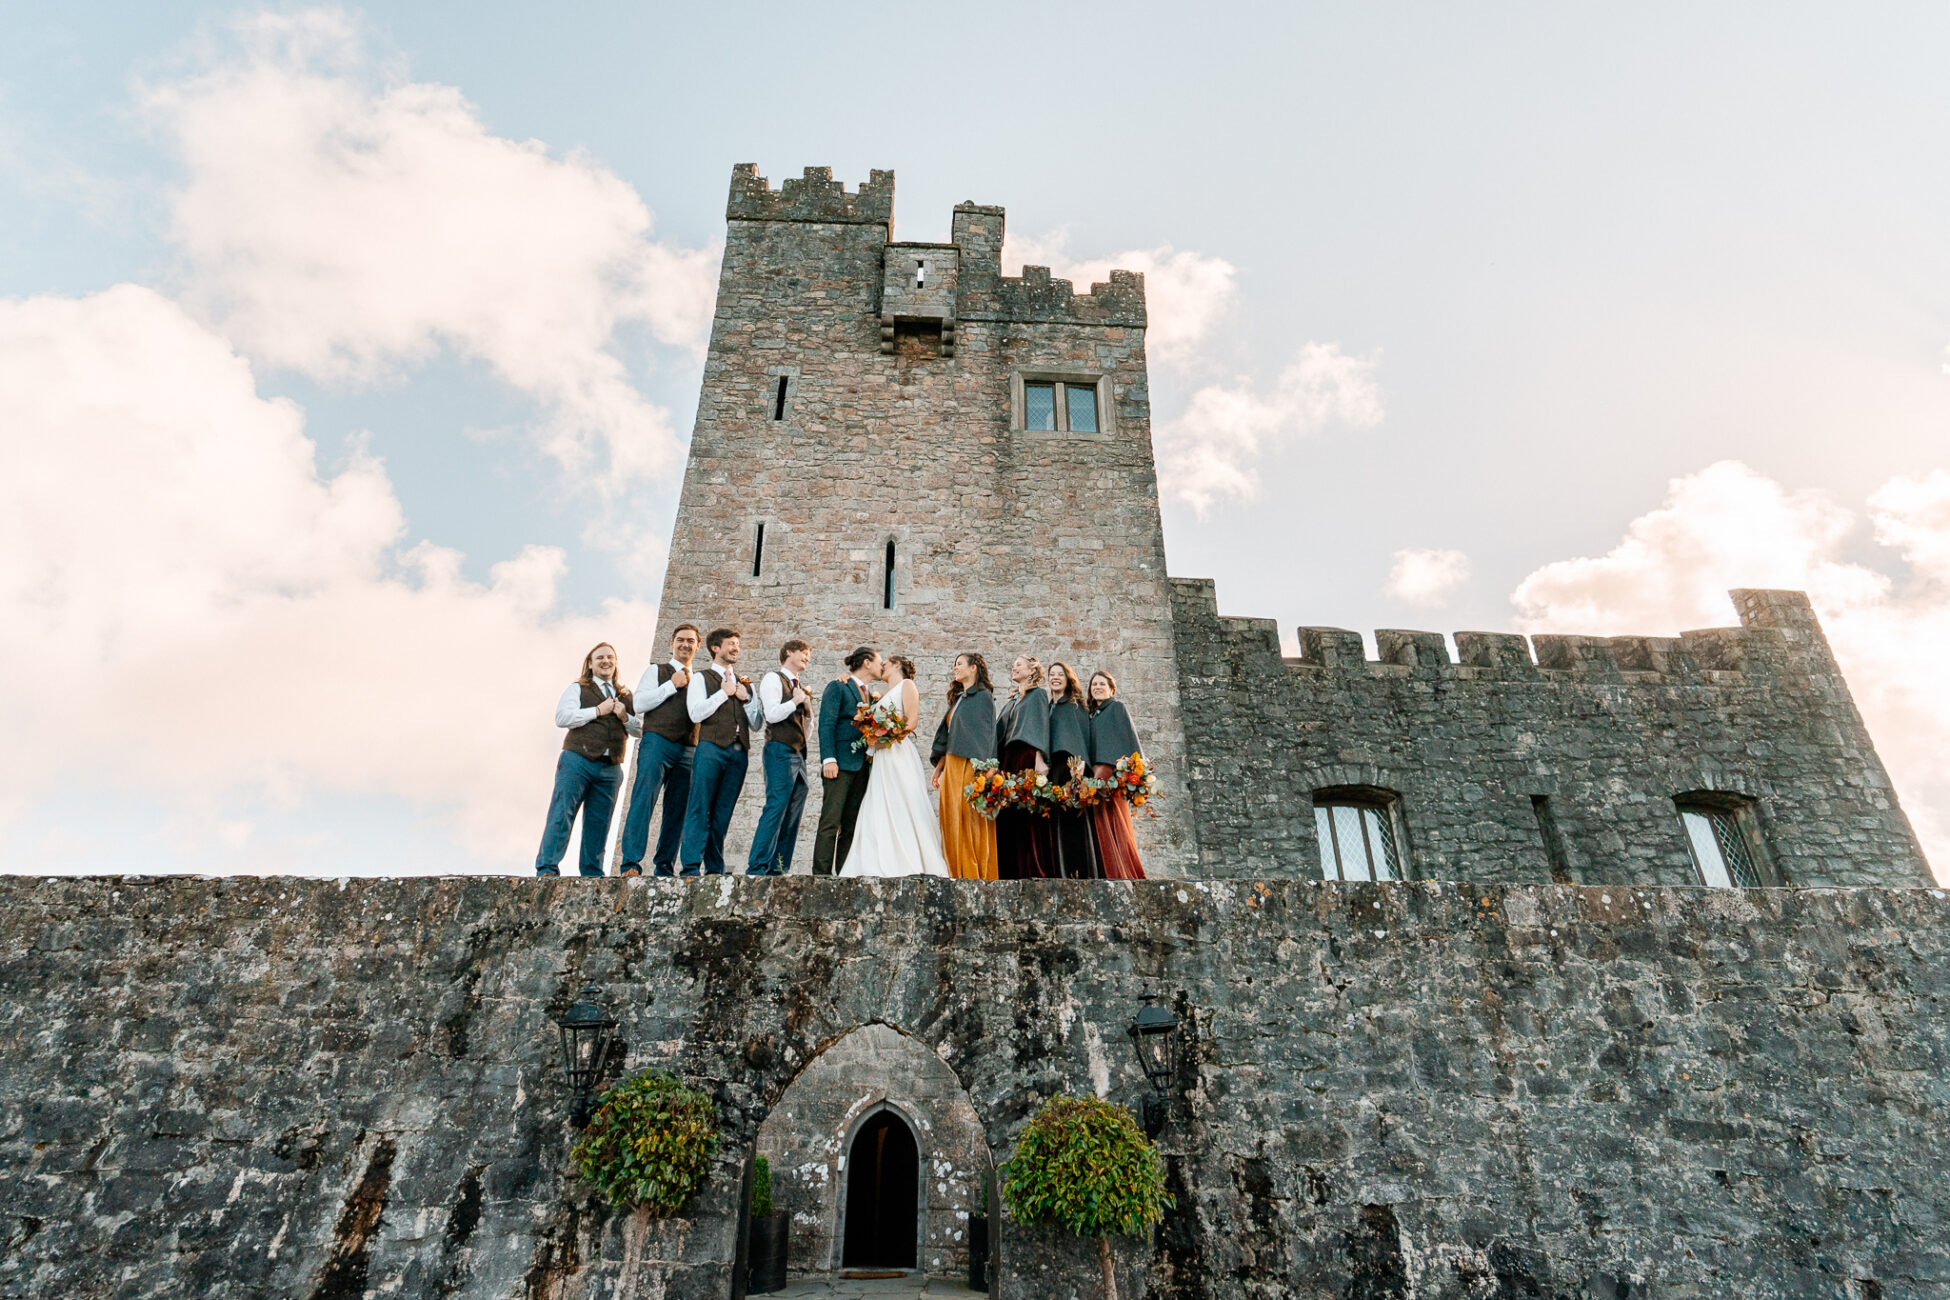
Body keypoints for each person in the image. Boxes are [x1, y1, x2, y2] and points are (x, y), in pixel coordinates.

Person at [840, 656, 950, 877]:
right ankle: (877, 860)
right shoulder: (878, 696)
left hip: (897, 752)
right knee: (879, 801)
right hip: (881, 757)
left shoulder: (906, 685)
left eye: (886, 663)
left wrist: (886, 737)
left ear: (897, 665)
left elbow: (911, 722)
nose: (882, 667)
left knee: (902, 801)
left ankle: (910, 859)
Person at [535, 642, 639, 878]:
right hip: (577, 760)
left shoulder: (625, 694)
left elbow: (639, 730)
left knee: (599, 823)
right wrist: (598, 711)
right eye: (600, 657)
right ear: (590, 664)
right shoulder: (578, 688)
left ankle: (592, 874)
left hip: (611, 767)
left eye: (610, 657)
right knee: (562, 813)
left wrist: (624, 716)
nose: (606, 661)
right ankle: (547, 868)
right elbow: (562, 717)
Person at [616, 624, 701, 877]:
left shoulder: (700, 681)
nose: (685, 645)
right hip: (656, 743)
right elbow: (640, 703)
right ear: (672, 643)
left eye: (690, 641)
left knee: (677, 811)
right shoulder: (656, 670)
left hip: (689, 749)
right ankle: (630, 863)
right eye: (680, 640)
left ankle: (664, 867)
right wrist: (671, 686)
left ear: (698, 645)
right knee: (643, 801)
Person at [678, 628, 753, 876]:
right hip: (710, 748)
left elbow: (758, 723)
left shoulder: (744, 683)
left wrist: (747, 699)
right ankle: (690, 867)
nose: (736, 648)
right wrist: (724, 693)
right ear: (715, 648)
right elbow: (696, 713)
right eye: (731, 644)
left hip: (739, 753)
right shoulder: (702, 678)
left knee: (723, 812)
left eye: (737, 644)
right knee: (700, 806)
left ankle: (714, 869)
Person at [748, 639, 814, 876]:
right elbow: (772, 714)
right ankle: (757, 866)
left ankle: (779, 867)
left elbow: (804, 731)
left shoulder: (799, 686)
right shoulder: (773, 678)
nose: (807, 657)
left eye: (809, 654)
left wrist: (808, 711)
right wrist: (795, 700)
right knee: (776, 805)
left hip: (798, 753)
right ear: (788, 652)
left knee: (794, 809)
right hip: (778, 749)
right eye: (803, 653)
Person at [812, 647, 880, 876]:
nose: (882, 666)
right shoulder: (837, 686)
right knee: (831, 822)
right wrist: (828, 759)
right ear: (867, 663)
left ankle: (844, 874)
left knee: (851, 826)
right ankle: (821, 875)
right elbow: (827, 724)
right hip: (839, 764)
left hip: (862, 767)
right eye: (880, 661)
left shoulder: (871, 696)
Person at [931, 653, 999, 881]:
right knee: (950, 816)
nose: (955, 668)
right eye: (954, 664)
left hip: (970, 765)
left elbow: (986, 735)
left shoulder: (982, 697)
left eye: (959, 664)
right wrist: (939, 766)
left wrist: (986, 769)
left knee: (968, 818)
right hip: (952, 763)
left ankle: (973, 872)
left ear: (973, 668)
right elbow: (951, 735)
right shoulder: (959, 698)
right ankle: (954, 870)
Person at [994, 654, 1055, 879]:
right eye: (1013, 665)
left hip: (1027, 756)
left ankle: (1031, 868)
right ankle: (1008, 869)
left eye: (1018, 664)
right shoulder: (1012, 700)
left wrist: (1040, 758)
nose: (1014, 668)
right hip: (1008, 759)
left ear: (1031, 670)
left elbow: (1040, 725)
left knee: (1026, 810)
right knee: (1007, 810)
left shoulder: (1038, 695)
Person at [1087, 670, 1147, 880]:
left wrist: (1137, 769)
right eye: (1094, 684)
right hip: (1096, 775)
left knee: (1117, 821)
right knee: (1100, 822)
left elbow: (1130, 738)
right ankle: (1107, 870)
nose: (1098, 687)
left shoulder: (1117, 708)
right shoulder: (1092, 715)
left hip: (1112, 773)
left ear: (1111, 689)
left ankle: (1123, 872)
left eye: (1102, 684)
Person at [1046, 662, 1102, 880]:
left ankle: (1079, 871)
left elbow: (1080, 737)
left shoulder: (1075, 706)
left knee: (1075, 821)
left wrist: (1079, 767)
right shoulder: (1050, 706)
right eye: (1052, 674)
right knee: (1057, 820)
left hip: (1073, 768)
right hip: (1055, 770)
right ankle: (1060, 870)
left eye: (1060, 674)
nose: (1055, 678)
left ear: (1068, 679)